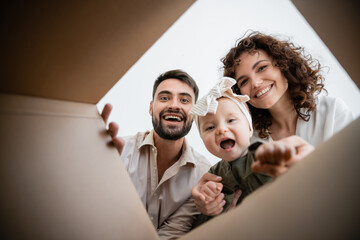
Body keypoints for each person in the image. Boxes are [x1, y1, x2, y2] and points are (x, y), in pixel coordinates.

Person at [192, 31, 355, 216]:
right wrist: (206, 198)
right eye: (244, 81)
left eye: (261, 68)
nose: (255, 82)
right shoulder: (248, 139)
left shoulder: (331, 111)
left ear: (284, 65)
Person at [101, 70, 211, 239]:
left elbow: (172, 234)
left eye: (184, 100)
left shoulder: (202, 174)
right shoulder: (117, 152)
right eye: (165, 98)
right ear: (151, 108)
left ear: (195, 113)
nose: (174, 105)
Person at [189, 77, 312, 227]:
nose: (221, 129)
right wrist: (208, 199)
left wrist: (277, 155)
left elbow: (275, 159)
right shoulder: (214, 174)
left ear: (249, 129)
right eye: (210, 128)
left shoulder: (260, 154)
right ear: (202, 140)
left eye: (231, 120)